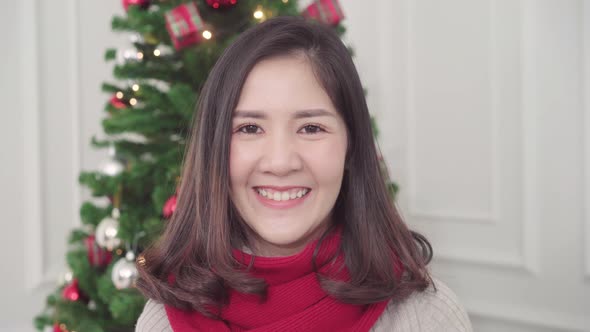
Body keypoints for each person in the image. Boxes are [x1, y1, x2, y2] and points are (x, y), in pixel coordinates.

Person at [135, 16, 472, 332]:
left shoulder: (427, 316)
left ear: (351, 147)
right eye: (250, 128)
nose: (281, 162)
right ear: (215, 150)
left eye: (311, 127)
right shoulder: (161, 321)